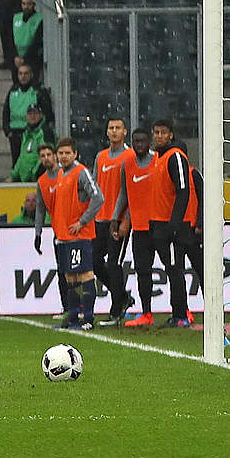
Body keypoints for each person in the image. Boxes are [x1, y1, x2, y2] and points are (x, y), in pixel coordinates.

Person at [35, 137, 104, 330]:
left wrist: (82, 222)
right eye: (61, 153)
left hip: (80, 235)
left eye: (67, 153)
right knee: (70, 277)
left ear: (75, 154)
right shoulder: (61, 175)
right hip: (64, 236)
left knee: (85, 275)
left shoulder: (81, 172)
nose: (64, 156)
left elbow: (98, 197)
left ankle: (88, 319)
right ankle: (73, 317)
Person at [146, 118, 195, 328]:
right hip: (159, 223)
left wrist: (174, 224)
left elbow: (183, 191)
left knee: (176, 269)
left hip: (173, 225)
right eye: (156, 132)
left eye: (163, 132)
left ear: (171, 134)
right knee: (171, 268)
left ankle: (181, 314)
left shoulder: (175, 156)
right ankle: (177, 313)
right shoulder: (158, 157)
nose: (159, 136)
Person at [118, 128, 166, 327]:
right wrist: (116, 218)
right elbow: (124, 193)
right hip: (139, 228)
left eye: (142, 141)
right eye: (135, 142)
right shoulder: (127, 164)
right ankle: (147, 313)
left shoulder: (159, 161)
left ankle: (183, 311)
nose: (139, 145)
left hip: (161, 225)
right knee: (143, 271)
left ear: (149, 142)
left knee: (173, 268)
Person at [92, 117, 133, 325]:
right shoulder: (100, 157)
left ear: (125, 132)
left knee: (114, 263)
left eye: (118, 128)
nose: (114, 131)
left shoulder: (130, 156)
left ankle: (117, 310)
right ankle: (123, 296)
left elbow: (132, 192)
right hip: (100, 218)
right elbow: (95, 188)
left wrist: (125, 218)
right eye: (111, 128)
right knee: (95, 263)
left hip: (118, 219)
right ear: (107, 132)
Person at [7, 103, 56, 182]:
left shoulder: (45, 131)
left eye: (35, 113)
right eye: (30, 114)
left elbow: (47, 156)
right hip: (26, 181)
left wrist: (34, 175)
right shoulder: (25, 134)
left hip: (39, 180)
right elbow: (22, 157)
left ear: (40, 115)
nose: (32, 116)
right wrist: (13, 176)